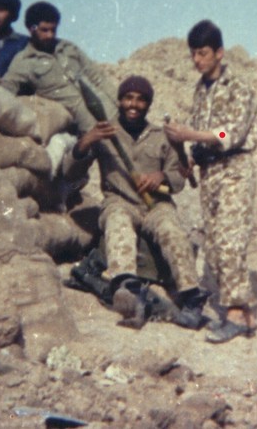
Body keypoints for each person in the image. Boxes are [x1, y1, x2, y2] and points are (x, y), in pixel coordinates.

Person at [64, 75, 207, 328]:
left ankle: (191, 298)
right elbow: (69, 172)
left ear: (148, 105)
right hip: (119, 201)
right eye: (128, 98)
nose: (134, 104)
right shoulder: (104, 133)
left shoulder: (161, 136)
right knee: (118, 222)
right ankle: (129, 291)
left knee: (172, 231)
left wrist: (161, 176)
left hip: (156, 205)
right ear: (119, 101)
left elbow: (178, 180)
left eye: (141, 100)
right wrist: (86, 141)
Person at [164, 20, 257, 343]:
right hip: (210, 173)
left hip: (234, 169)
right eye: (193, 54)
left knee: (231, 240)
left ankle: (235, 314)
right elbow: (202, 128)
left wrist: (191, 134)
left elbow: (229, 132)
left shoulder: (238, 88)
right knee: (216, 245)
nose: (197, 60)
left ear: (219, 53)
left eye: (202, 53)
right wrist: (189, 154)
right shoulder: (201, 90)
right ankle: (244, 314)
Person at [0, 1, 116, 133]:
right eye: (44, 30)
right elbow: (5, 92)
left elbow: (97, 77)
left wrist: (119, 102)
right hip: (88, 128)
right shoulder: (23, 61)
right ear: (31, 29)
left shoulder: (69, 48)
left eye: (53, 30)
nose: (50, 35)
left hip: (110, 112)